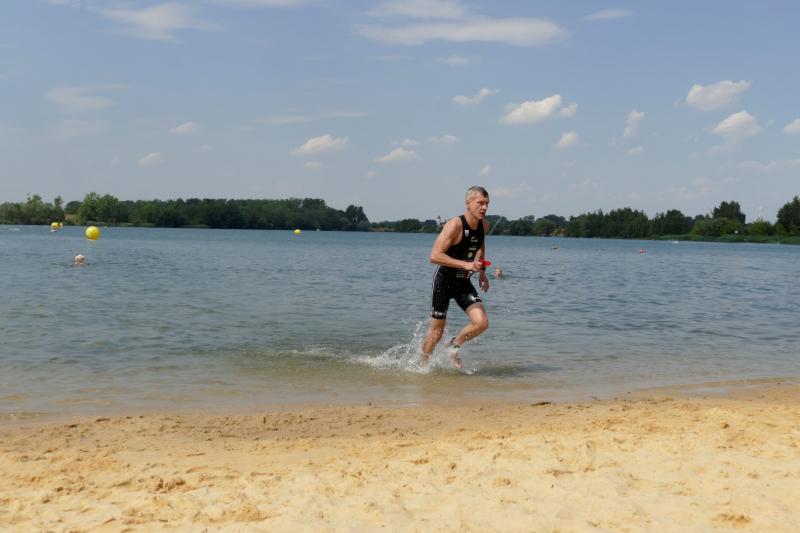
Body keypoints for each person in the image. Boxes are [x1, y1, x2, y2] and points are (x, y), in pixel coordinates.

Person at [421, 186, 491, 369]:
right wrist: (465, 264)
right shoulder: (455, 225)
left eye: (487, 203)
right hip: (443, 282)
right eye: (480, 203)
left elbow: (480, 244)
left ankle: (454, 345)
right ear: (468, 203)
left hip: (463, 282)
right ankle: (421, 366)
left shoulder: (484, 225)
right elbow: (434, 256)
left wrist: (482, 272)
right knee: (436, 334)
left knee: (482, 323)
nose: (484, 207)